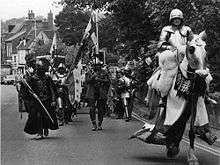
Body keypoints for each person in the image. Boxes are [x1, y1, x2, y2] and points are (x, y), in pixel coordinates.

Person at [146, 8, 193, 105]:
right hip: (171, 54)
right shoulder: (166, 29)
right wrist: (170, 47)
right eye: (175, 18)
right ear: (171, 19)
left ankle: (204, 94)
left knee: (200, 67)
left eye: (178, 18)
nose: (176, 20)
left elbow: (192, 41)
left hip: (185, 53)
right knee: (168, 72)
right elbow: (161, 44)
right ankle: (163, 95)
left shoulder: (187, 29)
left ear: (181, 19)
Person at [20, 58, 59, 139]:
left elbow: (52, 89)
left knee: (46, 116)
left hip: (47, 99)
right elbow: (27, 89)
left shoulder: (47, 78)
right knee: (37, 116)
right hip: (36, 101)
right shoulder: (32, 79)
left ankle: (45, 128)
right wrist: (23, 83)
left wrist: (53, 100)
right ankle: (39, 132)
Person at [85, 63, 110, 131]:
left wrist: (99, 79)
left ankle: (99, 124)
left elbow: (108, 81)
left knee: (101, 109)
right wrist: (93, 77)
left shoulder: (104, 72)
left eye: (99, 66)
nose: (98, 67)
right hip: (92, 92)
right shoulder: (89, 72)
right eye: (96, 66)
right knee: (92, 109)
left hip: (101, 92)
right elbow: (87, 81)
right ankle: (94, 124)